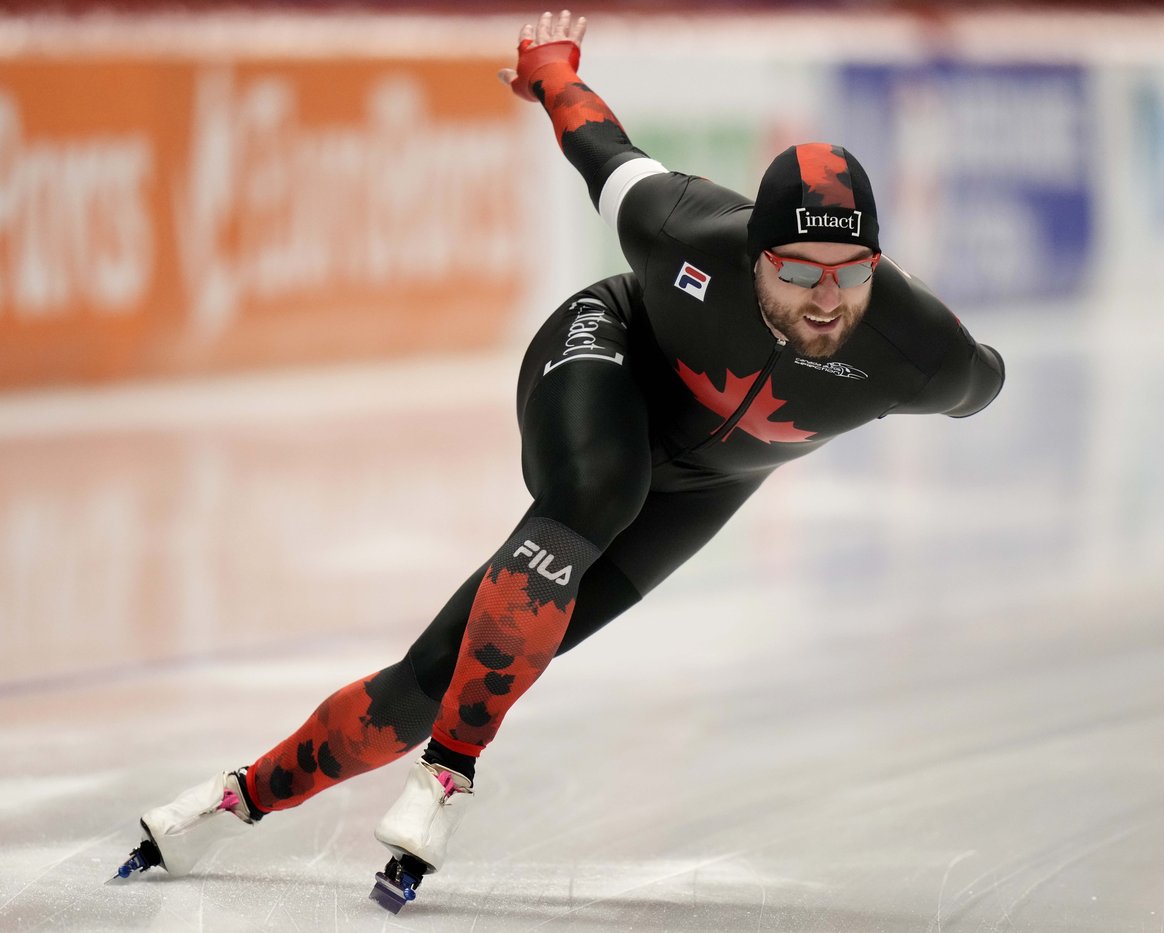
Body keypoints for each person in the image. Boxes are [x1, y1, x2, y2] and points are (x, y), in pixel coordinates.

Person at [116, 9, 1005, 907]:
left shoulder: (919, 347)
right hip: (607, 356)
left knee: (439, 678)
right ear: (749, 252)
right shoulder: (680, 225)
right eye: (799, 270)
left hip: (707, 485)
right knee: (597, 487)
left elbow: (984, 381)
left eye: (851, 272)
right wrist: (548, 66)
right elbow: (598, 141)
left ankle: (225, 804)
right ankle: (448, 778)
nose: (825, 298)